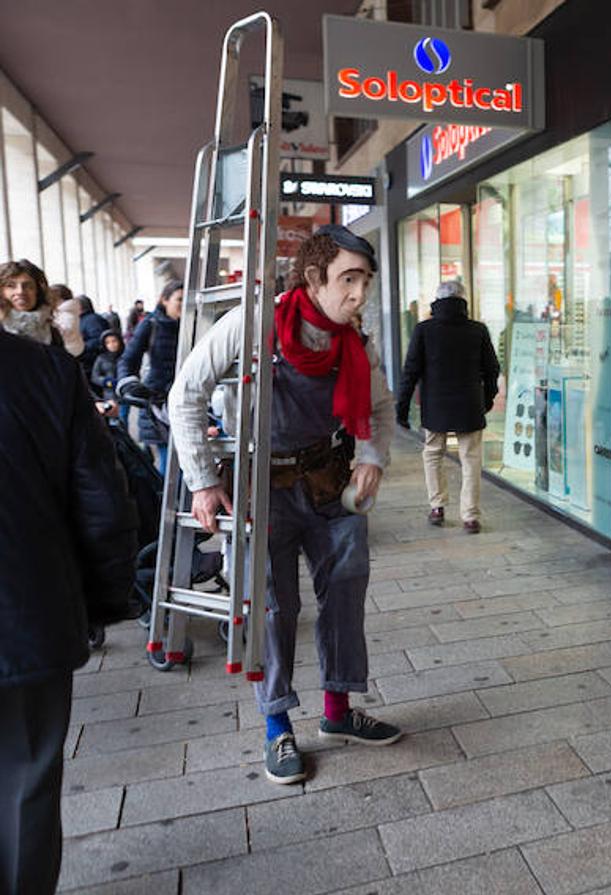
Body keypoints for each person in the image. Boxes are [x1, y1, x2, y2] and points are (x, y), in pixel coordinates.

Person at [169, 224, 399, 786]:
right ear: (315, 277)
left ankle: (338, 714)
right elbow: (186, 393)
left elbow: (381, 406)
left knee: (346, 593)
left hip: (330, 481)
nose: (358, 295)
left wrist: (371, 458)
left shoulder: (355, 341)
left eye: (365, 281)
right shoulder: (255, 324)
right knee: (274, 609)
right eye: (348, 280)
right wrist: (201, 481)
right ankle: (276, 725)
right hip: (262, 488)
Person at [0, 329, 138, 895]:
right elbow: (103, 503)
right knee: (25, 783)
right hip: (24, 617)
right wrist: (100, 604)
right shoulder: (44, 372)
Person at [396, 279, 501, 533]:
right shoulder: (478, 329)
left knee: (433, 454)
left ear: (437, 301)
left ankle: (437, 507)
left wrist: (401, 408)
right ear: (463, 301)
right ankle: (470, 516)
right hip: (469, 406)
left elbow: (410, 371)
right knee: (471, 459)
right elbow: (492, 369)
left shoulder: (424, 330)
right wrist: (486, 400)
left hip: (436, 407)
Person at [118, 280, 183, 474]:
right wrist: (128, 385)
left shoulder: (197, 323)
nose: (185, 304)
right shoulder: (151, 323)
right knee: (170, 464)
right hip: (157, 403)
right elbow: (128, 359)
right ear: (164, 300)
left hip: (188, 401)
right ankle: (165, 504)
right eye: (179, 299)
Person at [0, 259, 71, 351]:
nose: (20, 291)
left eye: (28, 286)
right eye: (11, 286)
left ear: (38, 291)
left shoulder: (52, 332)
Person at [77, 294, 109, 379]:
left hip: (92, 363)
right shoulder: (85, 319)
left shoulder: (92, 320)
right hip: (89, 362)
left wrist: (80, 347)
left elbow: (99, 339)